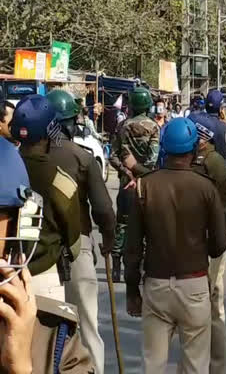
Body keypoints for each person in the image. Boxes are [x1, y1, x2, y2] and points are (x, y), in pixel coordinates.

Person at [124, 117, 226, 374]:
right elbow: (218, 246)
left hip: (156, 285)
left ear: (164, 149)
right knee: (195, 364)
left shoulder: (144, 187)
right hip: (193, 284)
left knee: (153, 363)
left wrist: (131, 290)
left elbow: (133, 247)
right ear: (194, 149)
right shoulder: (206, 188)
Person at [0, 138, 94, 374]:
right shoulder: (61, 172)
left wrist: (21, 367)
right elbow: (74, 231)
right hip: (45, 268)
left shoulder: (56, 342)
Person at [46, 90, 116, 374]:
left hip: (38, 255)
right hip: (78, 248)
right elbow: (103, 210)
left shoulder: (25, 157)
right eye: (73, 120)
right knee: (87, 326)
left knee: (44, 331)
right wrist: (109, 242)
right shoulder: (82, 158)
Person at [11, 94, 81, 302]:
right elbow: (74, 242)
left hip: (5, 275)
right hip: (43, 279)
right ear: (51, 132)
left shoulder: (5, 170)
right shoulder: (61, 182)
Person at [188, 113, 226, 373]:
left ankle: (218, 365)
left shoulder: (215, 162)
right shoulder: (187, 158)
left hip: (211, 241)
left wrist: (221, 237)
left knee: (214, 302)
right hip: (191, 241)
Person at [108, 86, 159, 282]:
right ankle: (143, 266)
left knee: (122, 224)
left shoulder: (122, 127)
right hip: (146, 184)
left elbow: (112, 156)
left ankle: (116, 267)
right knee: (147, 225)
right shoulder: (154, 127)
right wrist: (138, 175)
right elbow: (153, 159)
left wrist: (127, 173)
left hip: (125, 185)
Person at [204, 90, 226, 162]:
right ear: (220, 109)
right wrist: (225, 125)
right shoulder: (225, 128)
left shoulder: (195, 121)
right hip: (219, 169)